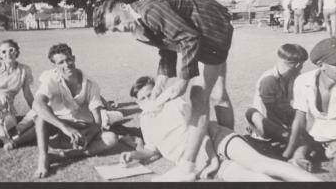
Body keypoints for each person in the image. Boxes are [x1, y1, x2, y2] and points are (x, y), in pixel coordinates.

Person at [94, 0, 234, 180]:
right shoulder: (138, 26)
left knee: (198, 96)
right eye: (115, 29)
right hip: (207, 31)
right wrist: (160, 83)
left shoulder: (150, 12)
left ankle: (188, 166)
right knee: (218, 93)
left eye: (118, 21)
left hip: (212, 28)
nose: (121, 28)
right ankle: (229, 148)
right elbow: (168, 47)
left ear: (123, 6)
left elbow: (188, 38)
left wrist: (183, 82)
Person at [120, 76, 321, 182]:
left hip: (215, 139)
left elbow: (196, 119)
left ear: (159, 91)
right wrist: (134, 156)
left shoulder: (174, 104)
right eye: (143, 99)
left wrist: (209, 154)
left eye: (151, 94)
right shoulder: (145, 120)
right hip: (199, 161)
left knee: (261, 164)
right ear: (138, 103)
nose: (149, 100)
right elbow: (152, 149)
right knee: (252, 179)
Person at [32, 43, 118, 178]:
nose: (67, 64)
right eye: (61, 62)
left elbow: (97, 121)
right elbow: (37, 104)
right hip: (60, 130)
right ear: (55, 66)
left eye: (68, 59)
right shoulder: (52, 78)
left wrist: (88, 137)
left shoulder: (91, 84)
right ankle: (43, 157)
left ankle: (60, 157)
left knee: (111, 138)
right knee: (40, 116)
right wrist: (64, 127)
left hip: (83, 130)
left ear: (74, 58)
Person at [284, 38, 336, 181]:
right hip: (331, 147)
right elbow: (299, 121)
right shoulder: (303, 82)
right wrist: (288, 154)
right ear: (321, 65)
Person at [245, 44, 320, 170]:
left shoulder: (294, 77)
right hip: (269, 124)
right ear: (297, 65)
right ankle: (299, 152)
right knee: (252, 112)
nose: (301, 68)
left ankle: (298, 157)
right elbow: (272, 112)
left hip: (284, 122)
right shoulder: (268, 80)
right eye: (301, 65)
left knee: (305, 129)